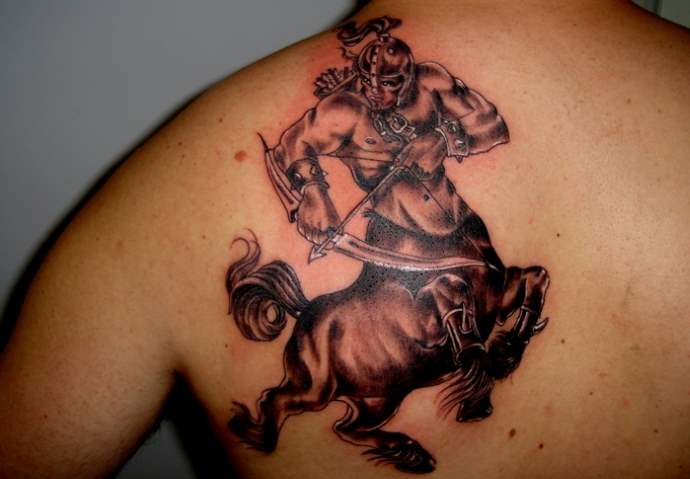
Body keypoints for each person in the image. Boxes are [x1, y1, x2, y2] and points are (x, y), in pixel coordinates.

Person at [1, 1, 689, 478]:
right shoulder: (337, 113)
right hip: (399, 239)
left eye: (398, 68)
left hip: (463, 226)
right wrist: (315, 204)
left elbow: (491, 130)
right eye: (380, 74)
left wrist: (449, 137)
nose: (393, 81)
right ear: (361, 75)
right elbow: (291, 156)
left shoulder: (433, 82)